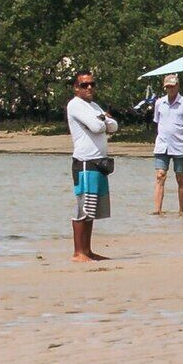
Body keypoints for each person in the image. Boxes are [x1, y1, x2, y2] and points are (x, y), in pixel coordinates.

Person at [65, 70, 116, 261]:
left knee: (92, 209)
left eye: (92, 84)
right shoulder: (75, 105)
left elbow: (114, 125)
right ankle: (78, 252)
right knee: (83, 207)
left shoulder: (93, 106)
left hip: (99, 162)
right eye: (84, 85)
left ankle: (87, 250)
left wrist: (103, 120)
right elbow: (98, 127)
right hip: (85, 162)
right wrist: (103, 120)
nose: (89, 88)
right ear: (76, 88)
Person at [146, 77, 183, 216]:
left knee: (180, 177)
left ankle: (181, 210)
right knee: (160, 175)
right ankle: (157, 210)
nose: (171, 89)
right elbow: (157, 122)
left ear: (178, 86)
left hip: (180, 146)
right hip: (162, 145)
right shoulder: (159, 103)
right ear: (165, 88)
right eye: (168, 86)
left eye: (173, 86)